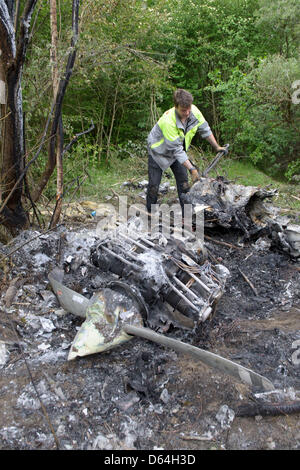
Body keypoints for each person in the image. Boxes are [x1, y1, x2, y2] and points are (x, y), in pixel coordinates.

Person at [146, 88, 227, 215]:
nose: (188, 112)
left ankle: (187, 215)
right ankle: (150, 214)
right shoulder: (169, 121)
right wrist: (192, 169)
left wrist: (216, 146)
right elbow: (177, 150)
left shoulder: (193, 111)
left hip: (178, 153)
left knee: (184, 183)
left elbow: (205, 129)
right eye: (184, 110)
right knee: (154, 186)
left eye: (189, 109)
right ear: (176, 107)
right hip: (158, 152)